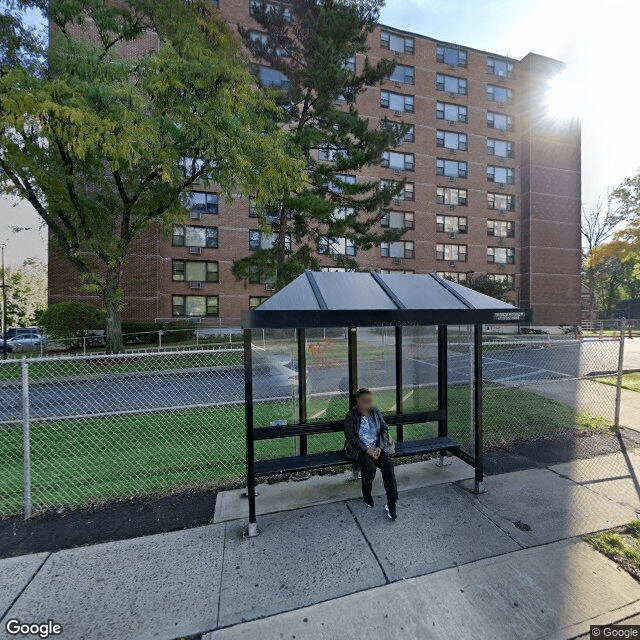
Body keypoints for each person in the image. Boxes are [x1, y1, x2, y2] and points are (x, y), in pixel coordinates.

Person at [343, 388, 398, 520]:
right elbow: (350, 437)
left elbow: (384, 429)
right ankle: (366, 494)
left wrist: (380, 446)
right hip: (360, 450)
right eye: (365, 401)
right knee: (370, 468)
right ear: (358, 401)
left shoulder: (375, 412)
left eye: (370, 400)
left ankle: (391, 503)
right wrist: (366, 450)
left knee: (388, 466)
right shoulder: (352, 415)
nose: (368, 403)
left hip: (377, 448)